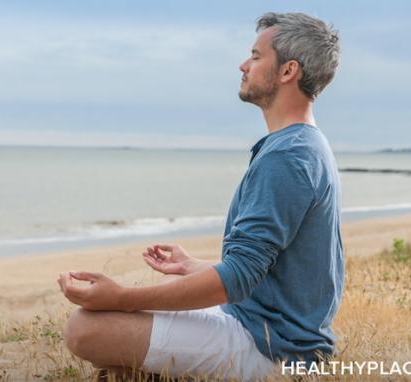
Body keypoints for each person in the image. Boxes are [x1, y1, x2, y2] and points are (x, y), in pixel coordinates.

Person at [57, 11, 343, 381]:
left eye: (256, 57)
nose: (243, 65)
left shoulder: (288, 156)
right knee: (163, 292)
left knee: (86, 329)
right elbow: (271, 267)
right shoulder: (303, 144)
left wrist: (121, 296)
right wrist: (194, 266)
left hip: (273, 348)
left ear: (288, 71)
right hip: (259, 322)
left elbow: (238, 278)